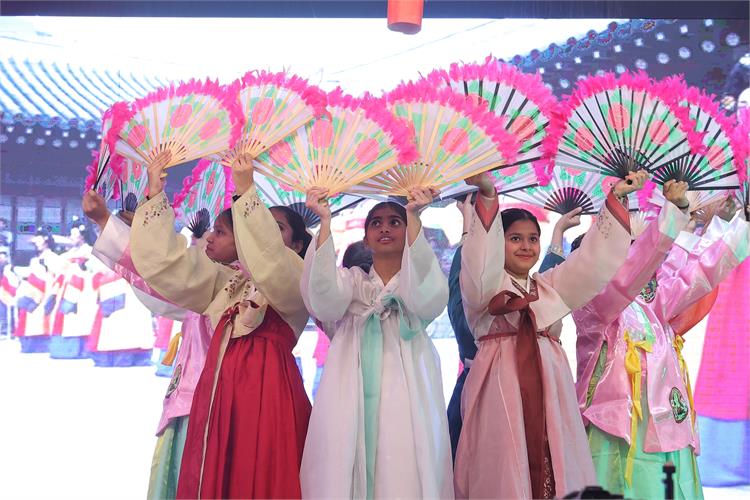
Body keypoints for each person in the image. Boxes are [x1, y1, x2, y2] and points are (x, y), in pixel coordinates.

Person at [129, 152, 312, 499]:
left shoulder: (298, 278)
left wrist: (245, 191)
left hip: (269, 393)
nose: (260, 232)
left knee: (265, 477)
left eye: (276, 227)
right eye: (257, 224)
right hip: (217, 391)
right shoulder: (228, 281)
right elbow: (170, 267)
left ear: (298, 244)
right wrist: (154, 195)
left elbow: (271, 261)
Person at [454, 170, 647, 499]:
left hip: (551, 388)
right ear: (497, 242)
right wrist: (487, 195)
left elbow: (590, 262)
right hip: (500, 386)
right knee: (503, 466)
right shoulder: (484, 287)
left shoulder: (548, 285)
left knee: (556, 460)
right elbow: (478, 260)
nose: (526, 246)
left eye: (533, 239)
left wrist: (617, 197)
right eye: (515, 238)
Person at [300, 186, 452, 499]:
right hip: (351, 379)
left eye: (395, 222)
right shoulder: (353, 281)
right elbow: (324, 299)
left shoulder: (414, 281)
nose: (385, 228)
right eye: (376, 223)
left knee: (404, 452)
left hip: (407, 379)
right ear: (366, 238)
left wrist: (414, 215)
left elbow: (431, 300)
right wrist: (325, 221)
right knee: (344, 449)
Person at [83, 189, 212, 499]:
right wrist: (118, 228)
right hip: (187, 396)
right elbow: (158, 277)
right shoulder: (208, 282)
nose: (207, 240)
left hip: (212, 399)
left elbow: (164, 271)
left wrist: (110, 222)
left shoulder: (226, 280)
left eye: (218, 233)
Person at [48, 217, 98, 359]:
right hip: (67, 288)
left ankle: (82, 350)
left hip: (84, 290)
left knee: (81, 317)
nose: (71, 237)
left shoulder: (89, 251)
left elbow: (93, 269)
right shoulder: (68, 254)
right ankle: (64, 350)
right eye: (71, 234)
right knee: (66, 317)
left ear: (82, 236)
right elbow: (58, 268)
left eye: (75, 234)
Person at [14, 227, 62, 352]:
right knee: (28, 317)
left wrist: (52, 293)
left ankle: (42, 344)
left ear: (46, 240)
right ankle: (28, 344)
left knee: (41, 318)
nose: (37, 243)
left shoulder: (53, 257)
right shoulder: (34, 259)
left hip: (47, 292)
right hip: (32, 292)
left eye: (39, 240)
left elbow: (58, 276)